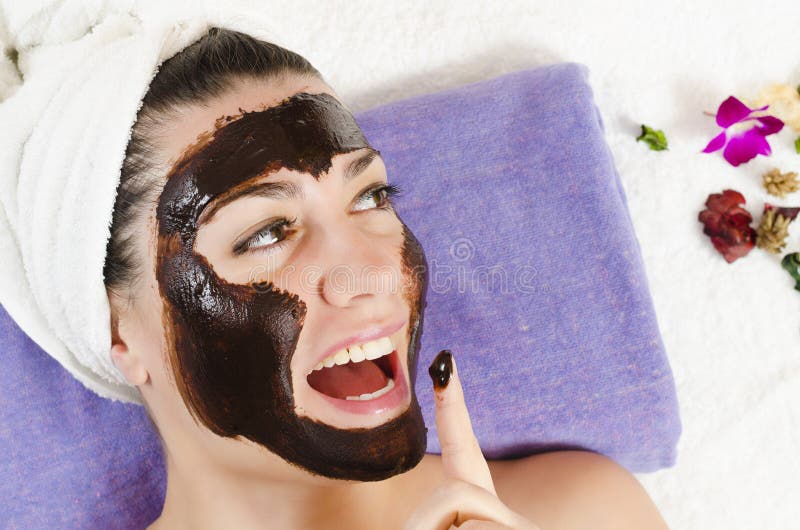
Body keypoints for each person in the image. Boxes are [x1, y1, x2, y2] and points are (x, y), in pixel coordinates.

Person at [102, 26, 669, 530]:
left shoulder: (582, 514)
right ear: (118, 331)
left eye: (371, 196)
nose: (374, 270)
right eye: (266, 233)